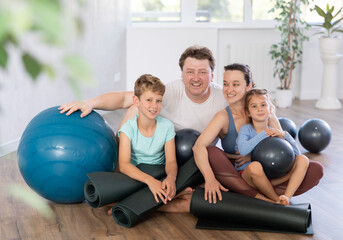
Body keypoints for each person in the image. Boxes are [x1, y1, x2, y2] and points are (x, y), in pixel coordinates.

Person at [193, 63, 323, 204]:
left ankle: (261, 196)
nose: (229, 89)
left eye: (236, 84)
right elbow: (198, 147)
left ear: (248, 86)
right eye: (225, 84)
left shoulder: (266, 113)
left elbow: (287, 150)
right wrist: (210, 179)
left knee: (315, 169)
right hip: (243, 174)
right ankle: (272, 199)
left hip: (272, 173)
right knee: (212, 152)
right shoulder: (223, 117)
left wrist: (255, 153)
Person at [58, 45, 228, 134]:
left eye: (202, 72)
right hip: (171, 148)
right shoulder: (171, 91)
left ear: (212, 76)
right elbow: (125, 98)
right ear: (182, 75)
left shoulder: (223, 96)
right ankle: (118, 156)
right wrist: (89, 102)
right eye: (190, 72)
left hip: (201, 152)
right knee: (136, 105)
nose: (196, 78)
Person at [236, 88, 309, 205]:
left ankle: (286, 197)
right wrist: (263, 134)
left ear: (270, 109)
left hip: (271, 177)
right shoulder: (246, 130)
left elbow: (296, 154)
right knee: (255, 166)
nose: (259, 109)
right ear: (248, 112)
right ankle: (276, 200)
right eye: (254, 106)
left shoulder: (274, 131)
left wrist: (284, 135)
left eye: (263, 105)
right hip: (251, 178)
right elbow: (243, 151)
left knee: (303, 159)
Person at [117, 74, 177, 206]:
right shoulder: (128, 129)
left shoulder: (167, 126)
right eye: (149, 100)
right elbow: (124, 165)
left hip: (158, 172)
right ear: (136, 101)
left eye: (158, 101)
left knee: (166, 189)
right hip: (136, 175)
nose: (154, 106)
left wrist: (171, 178)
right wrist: (150, 181)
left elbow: (171, 161)